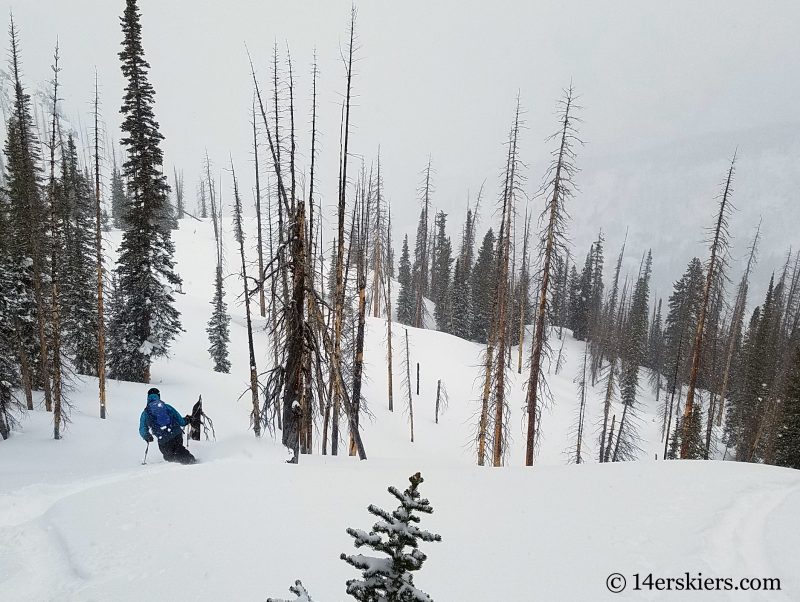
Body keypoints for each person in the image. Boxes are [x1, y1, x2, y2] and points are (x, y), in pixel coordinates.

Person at [139, 388, 196, 464]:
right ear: (158, 396)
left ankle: (187, 464)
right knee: (179, 450)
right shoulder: (167, 407)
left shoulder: (145, 413)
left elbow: (142, 429)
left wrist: (147, 436)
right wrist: (187, 419)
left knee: (170, 458)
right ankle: (190, 462)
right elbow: (181, 421)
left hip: (163, 440)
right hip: (176, 434)